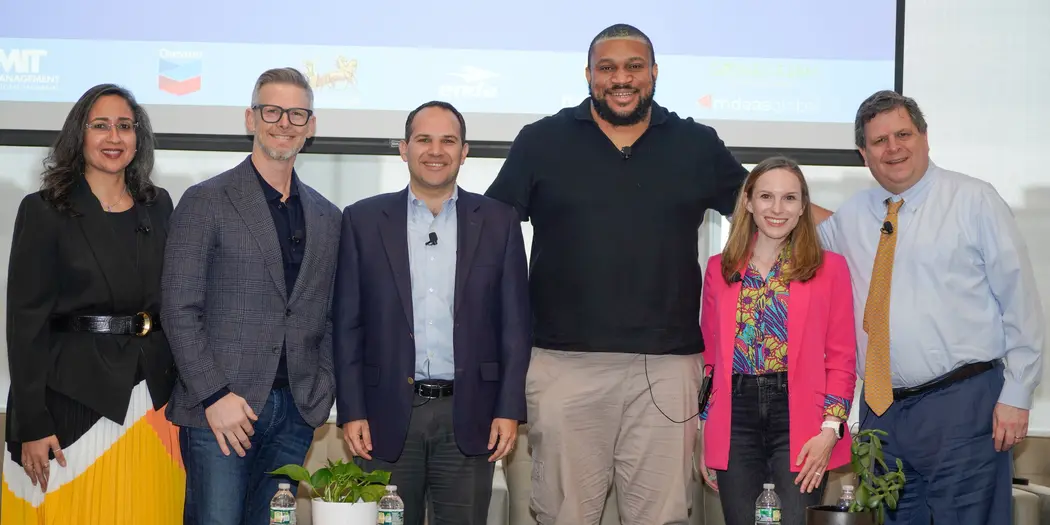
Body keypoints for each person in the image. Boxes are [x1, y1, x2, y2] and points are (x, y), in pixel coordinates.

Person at [482, 23, 834, 525]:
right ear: (588, 75)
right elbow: (488, 233)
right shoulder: (541, 141)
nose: (620, 78)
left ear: (653, 74)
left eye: (633, 67)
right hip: (565, 365)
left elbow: (769, 208)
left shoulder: (695, 143)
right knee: (563, 515)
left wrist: (862, 232)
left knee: (663, 516)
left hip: (669, 371)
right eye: (607, 68)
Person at [818, 89, 1044, 524]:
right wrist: (762, 194)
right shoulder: (852, 216)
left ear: (924, 137)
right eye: (879, 141)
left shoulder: (974, 200)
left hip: (963, 406)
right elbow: (797, 234)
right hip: (883, 414)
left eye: (903, 133)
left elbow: (1020, 302)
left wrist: (1017, 393)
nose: (893, 148)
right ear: (863, 154)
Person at [334, 100, 531, 525]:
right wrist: (351, 409)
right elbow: (347, 325)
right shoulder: (363, 220)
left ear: (465, 151)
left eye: (448, 140)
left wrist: (509, 407)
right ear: (404, 149)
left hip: (471, 413)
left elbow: (515, 325)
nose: (435, 150)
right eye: (424, 139)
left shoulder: (499, 221)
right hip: (385, 414)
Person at [161, 67, 341, 524]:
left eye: (297, 113)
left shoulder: (328, 215)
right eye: (273, 111)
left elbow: (332, 314)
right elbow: (179, 309)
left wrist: (318, 394)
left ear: (311, 125)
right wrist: (214, 395)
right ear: (251, 118)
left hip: (295, 414)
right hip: (220, 414)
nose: (285, 122)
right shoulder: (206, 200)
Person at [2, 84, 183, 524]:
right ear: (78, 136)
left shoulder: (159, 207)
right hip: (71, 402)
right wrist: (31, 422)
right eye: (100, 126)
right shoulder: (44, 210)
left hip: (153, 403)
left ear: (138, 138)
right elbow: (25, 324)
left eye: (125, 126)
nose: (114, 138)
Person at [696, 156, 857, 525]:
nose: (777, 209)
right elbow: (709, 360)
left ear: (803, 208)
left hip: (801, 418)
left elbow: (842, 357)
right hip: (734, 417)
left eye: (789, 198)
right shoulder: (720, 269)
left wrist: (830, 430)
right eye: (766, 196)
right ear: (748, 203)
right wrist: (706, 432)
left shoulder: (830, 268)